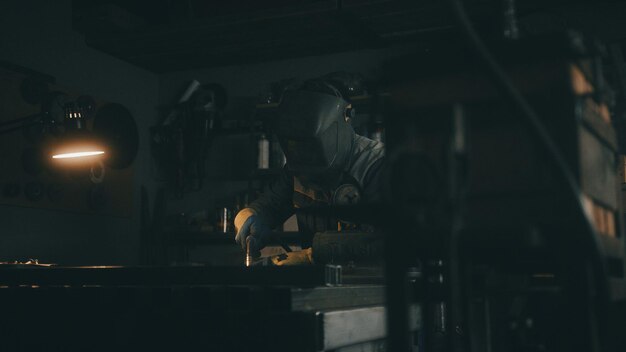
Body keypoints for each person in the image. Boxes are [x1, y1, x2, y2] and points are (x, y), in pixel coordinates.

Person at [233, 75, 385, 265]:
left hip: (370, 287)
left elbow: (384, 242)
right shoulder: (296, 169)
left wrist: (311, 256)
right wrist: (248, 218)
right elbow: (268, 207)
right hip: (319, 288)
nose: (307, 158)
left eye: (313, 147)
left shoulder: (375, 165)